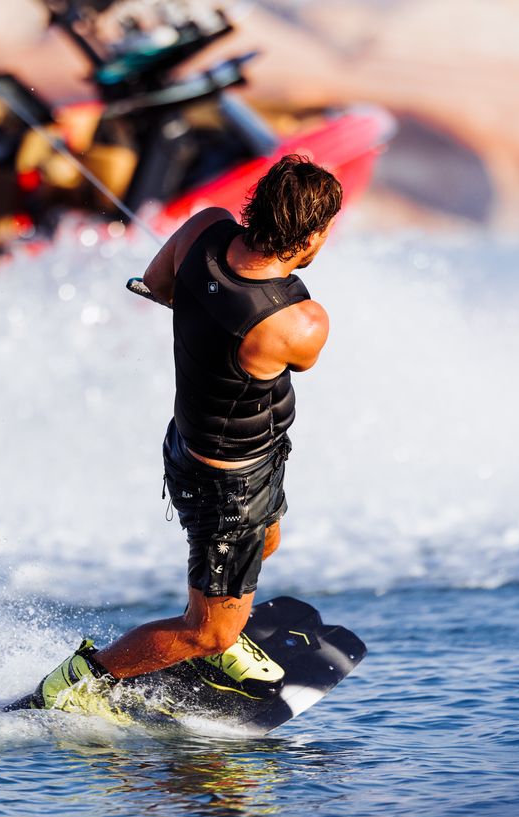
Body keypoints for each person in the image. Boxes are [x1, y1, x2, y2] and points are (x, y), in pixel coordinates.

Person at [29, 154, 343, 719]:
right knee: (210, 630)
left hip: (246, 455)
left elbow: (155, 284)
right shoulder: (300, 321)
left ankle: (219, 621)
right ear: (312, 235)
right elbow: (305, 361)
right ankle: (75, 685)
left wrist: (206, 296)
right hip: (227, 486)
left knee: (267, 542)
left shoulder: (205, 227)